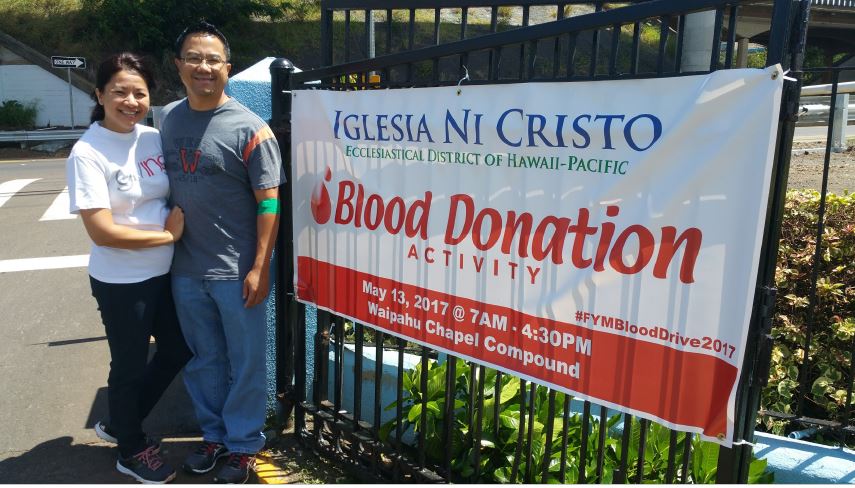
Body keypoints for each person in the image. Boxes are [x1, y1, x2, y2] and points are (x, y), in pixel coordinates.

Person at [160, 21, 284, 484]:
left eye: (213, 60)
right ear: (179, 66)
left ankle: (244, 444)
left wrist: (260, 267)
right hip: (186, 269)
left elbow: (269, 201)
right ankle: (213, 437)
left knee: (246, 359)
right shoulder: (171, 118)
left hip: (235, 272)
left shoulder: (251, 128)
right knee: (203, 359)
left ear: (228, 68)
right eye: (194, 58)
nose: (203, 67)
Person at [66, 52, 192, 484]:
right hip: (121, 280)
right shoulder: (87, 153)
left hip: (162, 273)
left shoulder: (152, 138)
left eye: (139, 92)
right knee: (129, 364)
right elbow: (102, 231)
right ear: (100, 95)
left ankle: (122, 421)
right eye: (119, 91)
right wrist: (167, 237)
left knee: (177, 348)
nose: (130, 100)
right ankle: (130, 448)